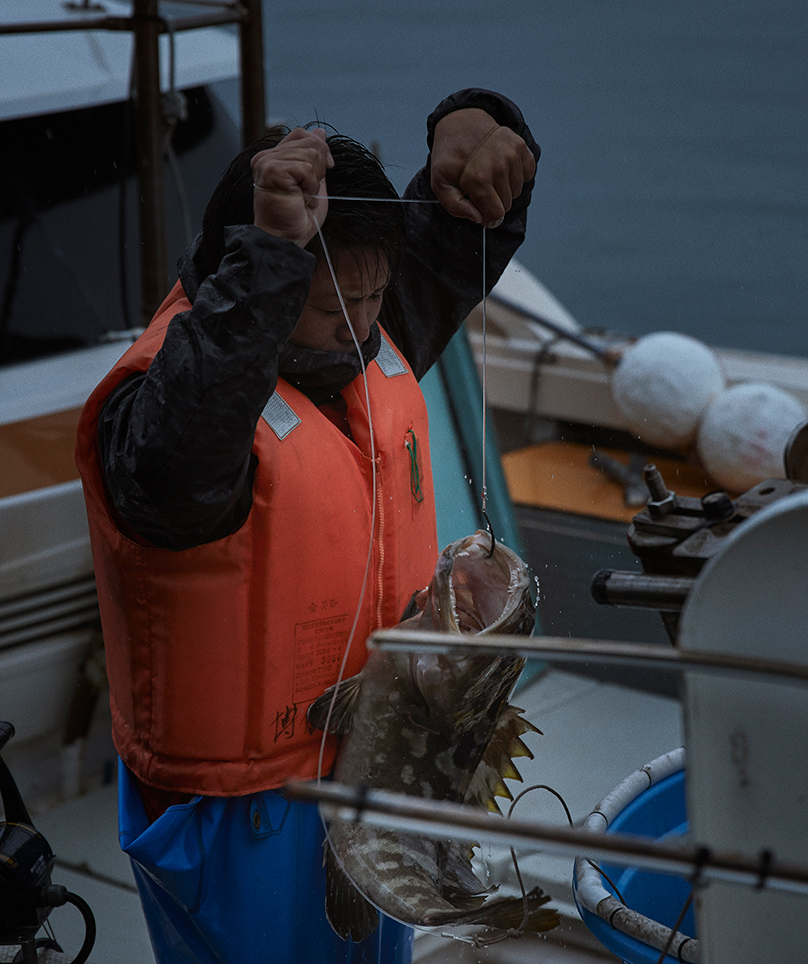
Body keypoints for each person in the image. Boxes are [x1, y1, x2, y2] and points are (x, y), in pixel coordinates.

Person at [75, 88, 538, 964]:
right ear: (248, 277)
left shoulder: (364, 323)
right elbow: (184, 456)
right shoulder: (162, 408)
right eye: (330, 308)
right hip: (243, 808)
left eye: (374, 302)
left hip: (380, 769)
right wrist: (272, 262)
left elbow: (445, 245)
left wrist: (477, 138)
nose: (362, 330)